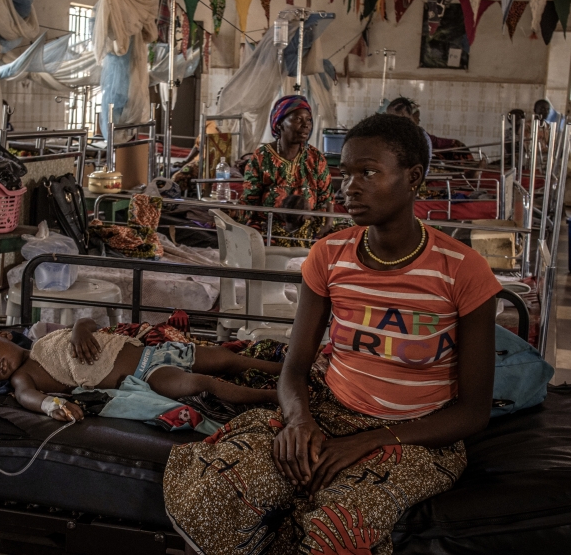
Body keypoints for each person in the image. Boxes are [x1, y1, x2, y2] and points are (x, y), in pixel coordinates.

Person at [163, 114, 499, 554]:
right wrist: (299, 422)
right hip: (327, 411)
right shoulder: (330, 255)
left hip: (415, 436)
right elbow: (294, 369)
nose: (349, 187)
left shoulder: (463, 270)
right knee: (215, 489)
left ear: (414, 177)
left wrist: (367, 442)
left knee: (336, 529)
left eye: (369, 173)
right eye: (346, 174)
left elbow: (473, 412)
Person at [0, 318, 284, 421]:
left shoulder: (44, 338)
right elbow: (28, 396)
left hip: (155, 351)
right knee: (203, 382)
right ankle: (275, 396)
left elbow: (92, 324)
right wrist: (51, 405)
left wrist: (79, 329)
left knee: (224, 357)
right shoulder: (22, 376)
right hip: (146, 376)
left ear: (3, 336)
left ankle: (285, 370)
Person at [237, 95, 335, 246]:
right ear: (280, 123)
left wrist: (327, 225)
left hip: (308, 224)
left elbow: (327, 197)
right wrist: (245, 227)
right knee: (256, 243)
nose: (306, 125)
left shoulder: (315, 157)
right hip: (269, 224)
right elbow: (250, 199)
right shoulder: (262, 156)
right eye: (298, 119)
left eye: (308, 120)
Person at [385, 96, 473, 161]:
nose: (390, 120)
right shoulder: (396, 132)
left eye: (391, 116)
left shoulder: (416, 134)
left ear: (403, 114)